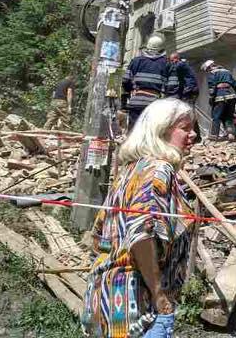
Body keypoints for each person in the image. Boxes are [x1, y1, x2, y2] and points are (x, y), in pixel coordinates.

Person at [81, 98, 196, 338]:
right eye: (185, 128)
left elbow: (98, 235)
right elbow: (141, 233)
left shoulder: (132, 170)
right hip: (137, 306)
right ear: (161, 129)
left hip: (106, 299)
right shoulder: (158, 170)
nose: (193, 135)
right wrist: (158, 295)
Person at [122, 35, 170, 130]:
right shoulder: (166, 63)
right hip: (155, 104)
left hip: (136, 102)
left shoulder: (136, 61)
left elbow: (125, 81)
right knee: (150, 132)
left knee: (134, 131)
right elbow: (169, 86)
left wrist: (130, 91)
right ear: (161, 48)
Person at [165, 52, 200, 139]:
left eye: (172, 60)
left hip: (190, 91)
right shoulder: (183, 65)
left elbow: (173, 68)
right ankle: (196, 136)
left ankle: (195, 136)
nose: (172, 62)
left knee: (188, 113)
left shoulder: (181, 64)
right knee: (188, 112)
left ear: (176, 59)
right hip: (190, 90)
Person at [202, 60, 236, 140]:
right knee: (228, 117)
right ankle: (231, 134)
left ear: (209, 67)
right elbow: (235, 84)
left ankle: (213, 136)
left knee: (216, 116)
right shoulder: (227, 71)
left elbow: (212, 87)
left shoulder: (213, 73)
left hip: (220, 96)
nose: (208, 71)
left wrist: (211, 99)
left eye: (207, 70)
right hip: (232, 95)